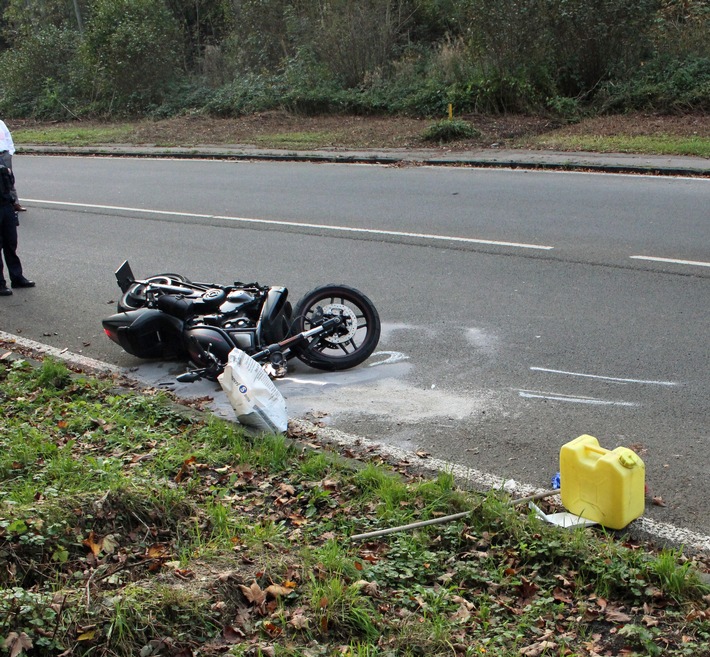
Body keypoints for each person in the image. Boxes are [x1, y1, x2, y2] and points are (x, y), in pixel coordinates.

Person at [0, 164, 34, 296]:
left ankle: (17, 277)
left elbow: (10, 184)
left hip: (6, 205)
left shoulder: (2, 165)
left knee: (11, 243)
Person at [0, 119, 26, 212]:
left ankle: (15, 203)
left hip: (4, 155)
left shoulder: (1, 123)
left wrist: (10, 151)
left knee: (9, 179)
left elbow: (8, 137)